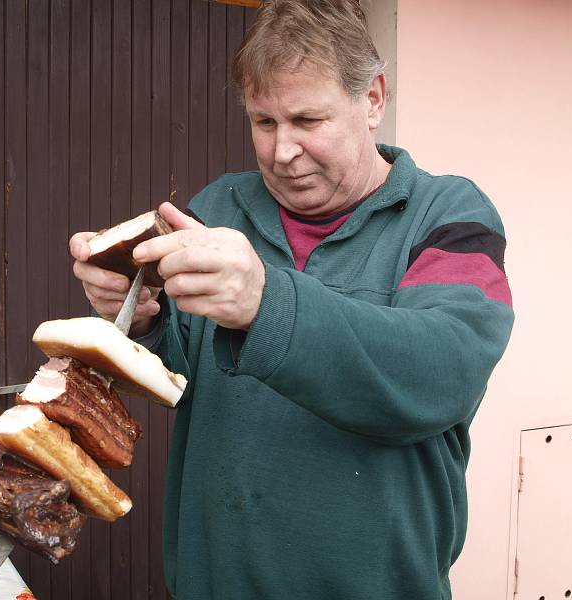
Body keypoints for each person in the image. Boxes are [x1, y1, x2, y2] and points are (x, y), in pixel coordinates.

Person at [69, 1, 513, 598]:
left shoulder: (448, 215)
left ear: (374, 98)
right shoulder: (219, 209)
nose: (283, 152)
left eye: (308, 119)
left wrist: (267, 304)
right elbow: (182, 375)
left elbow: (440, 374)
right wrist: (141, 316)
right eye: (265, 122)